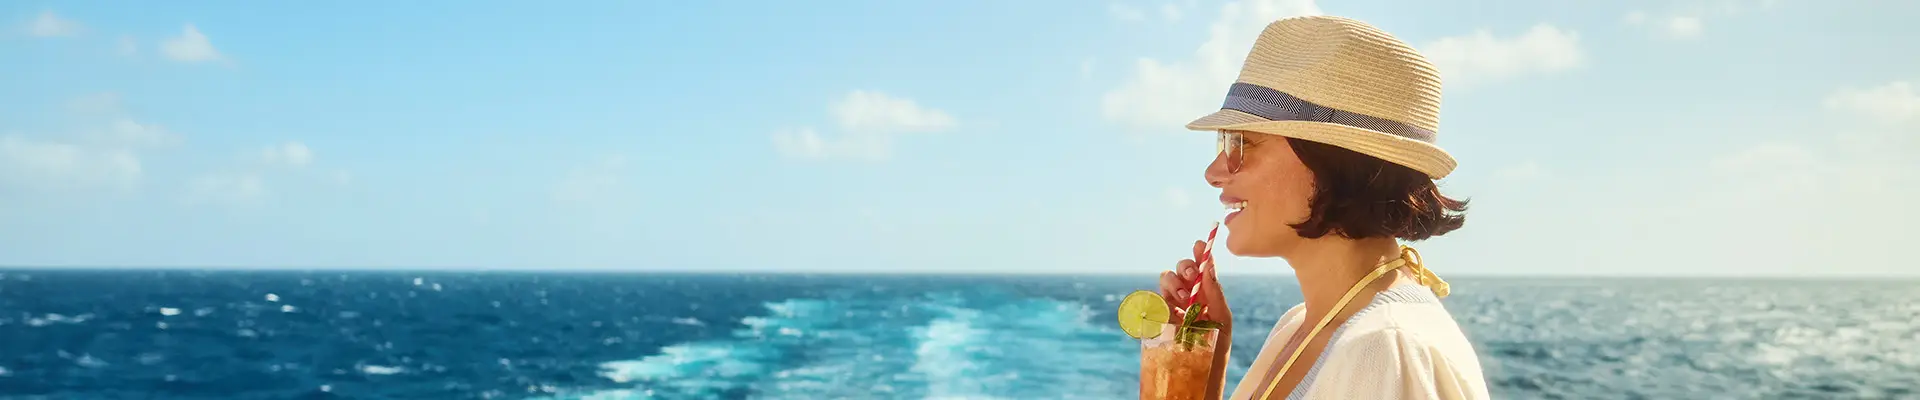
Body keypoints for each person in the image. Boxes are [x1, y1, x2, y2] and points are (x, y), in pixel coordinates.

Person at [1154, 15, 1492, 400]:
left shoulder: (1385, 348)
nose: (1213, 172)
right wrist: (1203, 369)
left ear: (1330, 160)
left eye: (1242, 143)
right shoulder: (1300, 328)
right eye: (1224, 143)